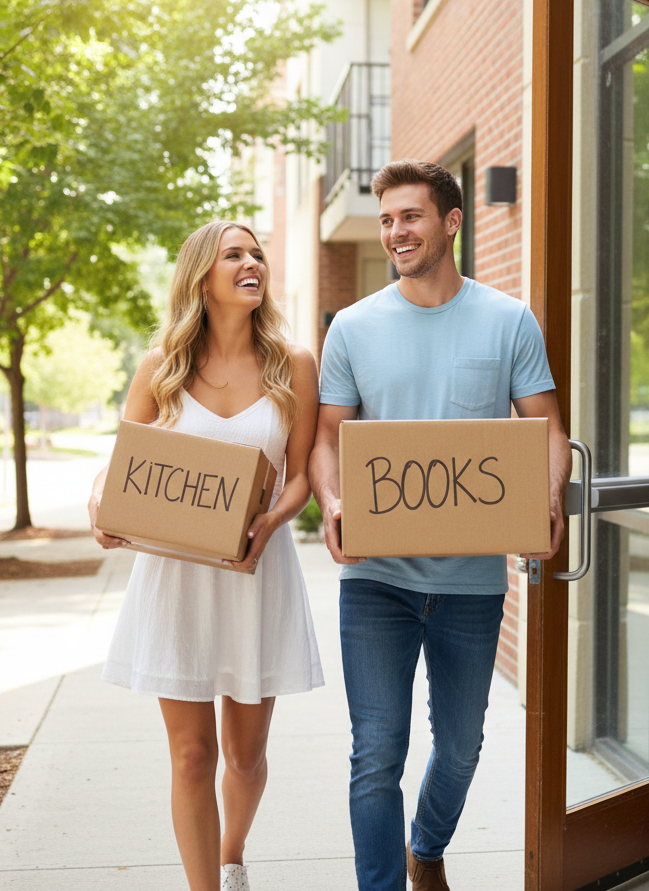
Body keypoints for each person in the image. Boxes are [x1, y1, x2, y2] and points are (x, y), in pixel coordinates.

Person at [308, 159, 571, 891]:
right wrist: (332, 503)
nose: (396, 231)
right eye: (388, 219)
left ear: (451, 222)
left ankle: (427, 847)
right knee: (376, 752)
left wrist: (548, 500)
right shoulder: (353, 328)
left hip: (469, 581)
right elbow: (328, 439)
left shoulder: (508, 319)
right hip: (377, 581)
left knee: (460, 747)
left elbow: (548, 431)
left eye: (411, 216)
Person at [89, 220, 323, 891]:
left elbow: (302, 473)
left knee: (245, 759)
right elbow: (120, 467)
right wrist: (99, 506)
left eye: (258, 254)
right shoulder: (159, 365)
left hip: (256, 575)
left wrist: (270, 524)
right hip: (176, 581)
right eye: (235, 255)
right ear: (202, 275)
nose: (253, 263)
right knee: (193, 756)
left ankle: (231, 852)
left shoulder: (293, 362)